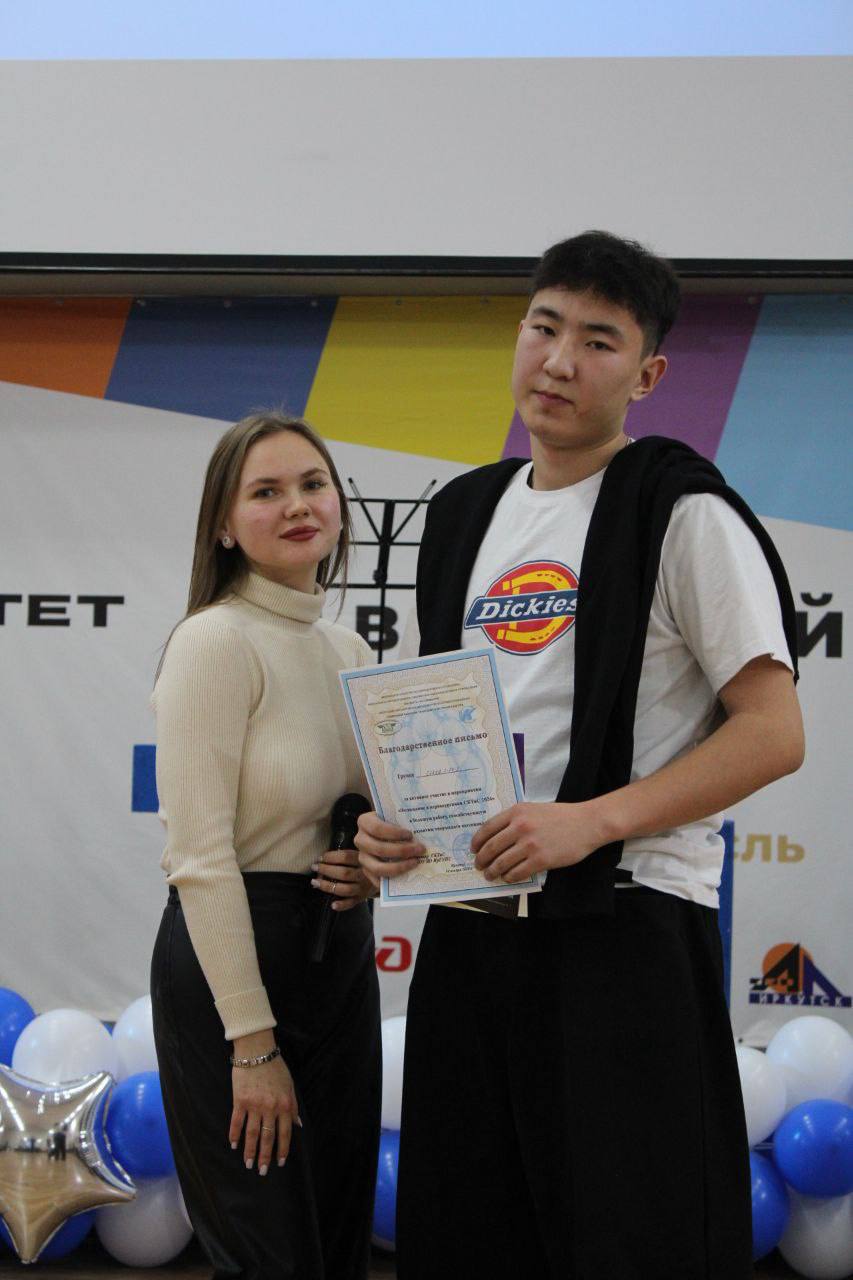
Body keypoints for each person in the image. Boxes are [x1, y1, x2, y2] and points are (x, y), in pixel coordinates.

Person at [356, 231, 804, 1279]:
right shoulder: (463, 512)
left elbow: (773, 729)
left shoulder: (680, 510)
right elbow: (444, 719)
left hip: (623, 930)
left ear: (646, 374)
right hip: (472, 927)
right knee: (466, 1235)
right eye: (543, 327)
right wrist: (397, 825)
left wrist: (592, 820)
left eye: (597, 341)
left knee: (627, 1238)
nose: (558, 361)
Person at [150, 411, 381, 1280]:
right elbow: (200, 861)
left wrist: (372, 867)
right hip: (236, 969)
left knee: (334, 1243)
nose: (297, 506)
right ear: (223, 523)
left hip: (339, 962)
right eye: (266, 491)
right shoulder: (213, 640)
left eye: (313, 484)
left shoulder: (350, 648)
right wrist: (251, 1043)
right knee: (268, 1254)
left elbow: (365, 820)